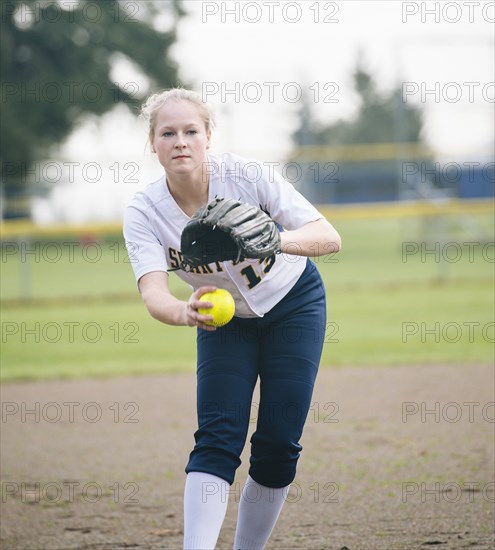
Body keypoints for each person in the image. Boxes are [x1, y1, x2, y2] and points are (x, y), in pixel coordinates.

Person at [123, 88, 342, 550]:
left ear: (207, 137)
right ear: (153, 143)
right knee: (218, 437)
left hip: (294, 304)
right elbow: (153, 293)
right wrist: (185, 312)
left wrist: (276, 240)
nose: (180, 140)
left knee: (279, 442)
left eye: (190, 131)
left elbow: (328, 236)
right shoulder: (144, 211)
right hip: (220, 321)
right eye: (168, 133)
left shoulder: (245, 175)